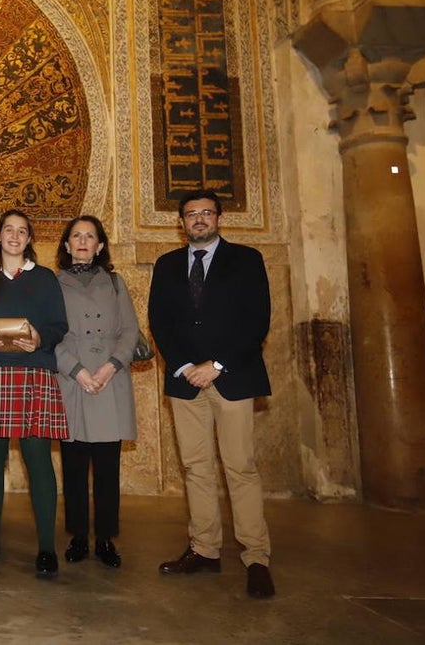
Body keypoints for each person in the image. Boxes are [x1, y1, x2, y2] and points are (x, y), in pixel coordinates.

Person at [147, 189, 276, 599]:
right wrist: (186, 367)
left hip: (232, 376)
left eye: (206, 213)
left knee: (240, 467)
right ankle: (204, 548)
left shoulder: (246, 260)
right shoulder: (167, 265)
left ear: (219, 218)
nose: (198, 220)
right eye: (191, 214)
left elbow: (257, 321)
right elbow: (160, 322)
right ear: (181, 223)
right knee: (196, 468)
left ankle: (256, 557)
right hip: (186, 382)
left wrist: (216, 365)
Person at [0, 209, 69, 579]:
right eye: (9, 229)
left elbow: (58, 325)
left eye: (22, 231)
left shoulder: (45, 279)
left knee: (38, 458)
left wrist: (40, 338)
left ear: (29, 239)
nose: (14, 236)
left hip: (33, 372)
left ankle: (46, 549)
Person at [54, 215, 138, 569]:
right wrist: (77, 370)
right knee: (74, 467)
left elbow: (130, 331)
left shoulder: (116, 283)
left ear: (100, 245)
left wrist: (109, 366)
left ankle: (105, 538)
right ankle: (77, 537)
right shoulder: (52, 284)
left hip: (110, 381)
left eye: (90, 236)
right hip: (72, 381)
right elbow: (48, 334)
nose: (83, 241)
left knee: (107, 468)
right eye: (77, 236)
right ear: (67, 244)